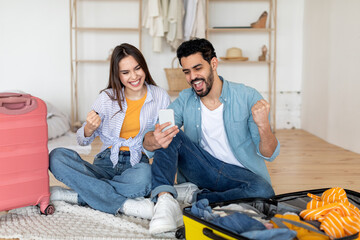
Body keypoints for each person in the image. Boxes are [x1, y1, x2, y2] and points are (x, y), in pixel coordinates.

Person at [143, 38, 280, 234]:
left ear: (213, 64)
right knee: (168, 132)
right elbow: (151, 139)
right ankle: (164, 199)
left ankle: (194, 197)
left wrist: (264, 125)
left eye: (198, 68)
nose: (193, 77)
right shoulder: (185, 99)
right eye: (187, 72)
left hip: (239, 175)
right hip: (202, 168)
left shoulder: (248, 96)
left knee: (264, 192)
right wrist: (153, 139)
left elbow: (269, 153)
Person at [49, 43, 171, 219]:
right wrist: (89, 128)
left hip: (137, 165)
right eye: (125, 72)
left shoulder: (160, 96)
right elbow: (82, 141)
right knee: (56, 157)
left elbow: (163, 138)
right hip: (105, 162)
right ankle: (123, 204)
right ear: (117, 75)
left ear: (144, 67)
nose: (134, 76)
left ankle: (78, 195)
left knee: (146, 176)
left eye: (137, 68)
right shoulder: (106, 98)